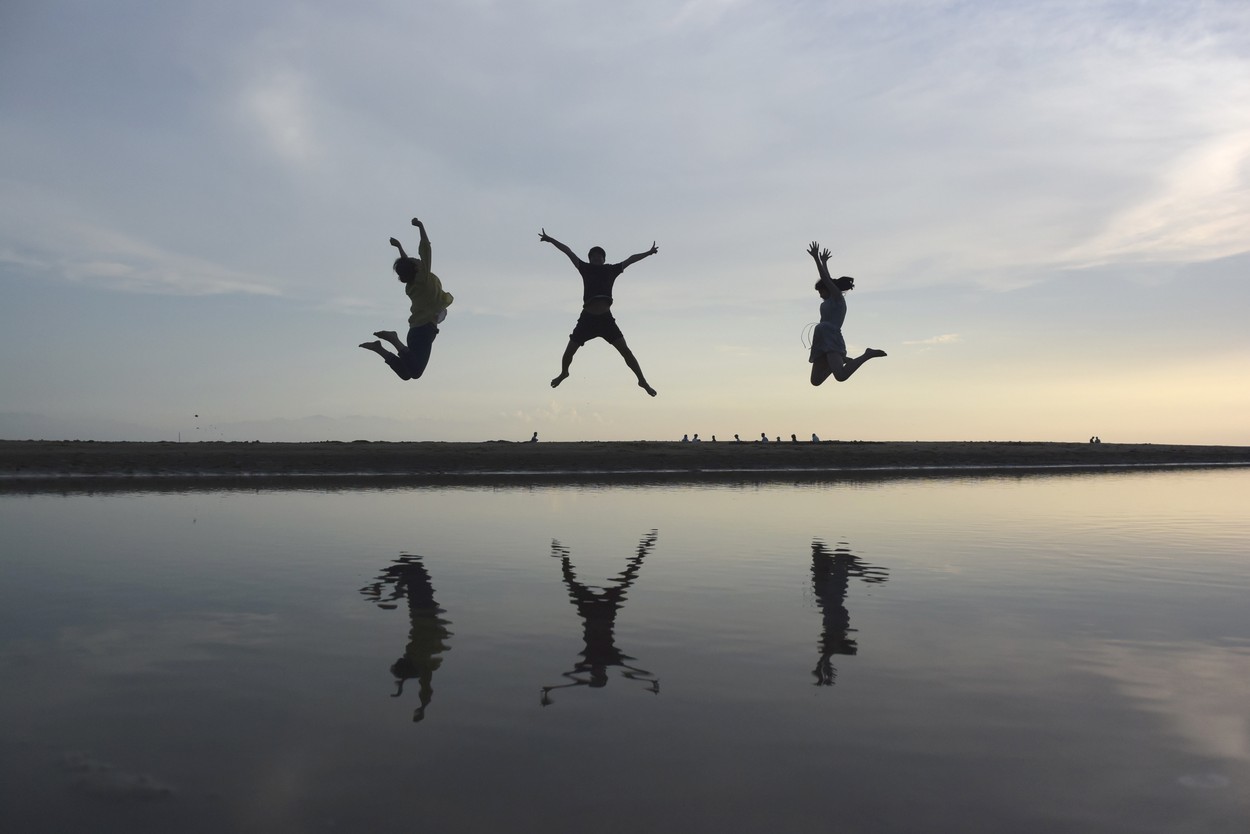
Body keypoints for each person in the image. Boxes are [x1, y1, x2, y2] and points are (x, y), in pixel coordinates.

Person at [539, 229, 659, 396]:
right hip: (587, 319)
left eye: (599, 256)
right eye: (593, 256)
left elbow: (631, 259)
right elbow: (568, 251)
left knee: (626, 351)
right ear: (590, 259)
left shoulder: (612, 270)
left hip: (606, 320)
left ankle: (642, 381)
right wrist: (550, 239)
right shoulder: (584, 268)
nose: (596, 258)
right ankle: (564, 373)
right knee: (568, 352)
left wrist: (649, 252)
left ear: (604, 259)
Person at [359, 218, 454, 381]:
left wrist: (399, 247)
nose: (416, 259)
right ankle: (394, 339)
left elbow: (407, 264)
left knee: (406, 373)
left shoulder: (411, 286)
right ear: (417, 267)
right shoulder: (424, 277)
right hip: (424, 331)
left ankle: (379, 349)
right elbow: (425, 248)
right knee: (415, 372)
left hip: (416, 331)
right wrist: (421, 226)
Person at [806, 241, 886, 386]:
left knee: (841, 376)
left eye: (821, 291)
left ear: (828, 289)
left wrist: (817, 259)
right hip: (820, 339)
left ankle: (867, 355)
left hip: (831, 337)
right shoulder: (829, 300)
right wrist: (825, 262)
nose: (820, 294)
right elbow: (828, 279)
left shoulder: (837, 299)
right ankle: (839, 361)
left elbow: (826, 279)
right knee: (815, 381)